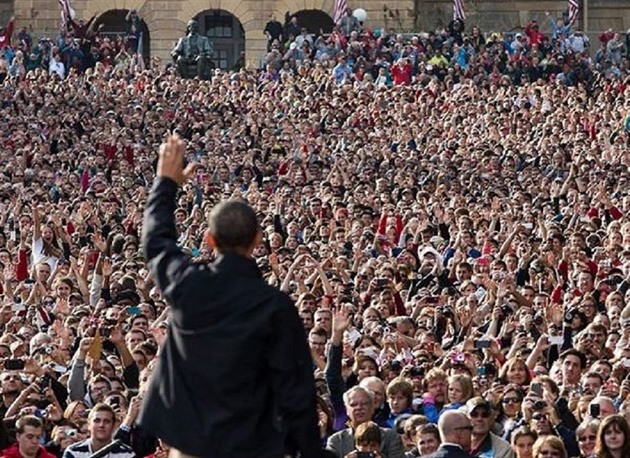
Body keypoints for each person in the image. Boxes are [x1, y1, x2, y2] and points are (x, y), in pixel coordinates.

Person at [138, 134, 323, 458]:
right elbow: (297, 392)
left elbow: (156, 241)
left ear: (208, 240)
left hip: (192, 445)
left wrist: (165, 183)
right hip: (253, 446)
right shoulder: (275, 306)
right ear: (257, 240)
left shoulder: (188, 285)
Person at [326, 386, 403, 458]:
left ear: (372, 407)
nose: (359, 408)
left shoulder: (391, 437)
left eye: (364, 404)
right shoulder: (336, 441)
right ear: (347, 410)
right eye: (354, 405)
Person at [62, 404, 135, 458]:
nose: (101, 425)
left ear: (113, 426)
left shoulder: (127, 454)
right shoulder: (73, 452)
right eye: (97, 421)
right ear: (89, 425)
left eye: (106, 421)